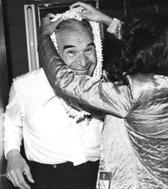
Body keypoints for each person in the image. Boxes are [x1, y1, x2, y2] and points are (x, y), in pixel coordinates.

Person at [40, 2, 168, 189]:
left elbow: (64, 81)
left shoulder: (135, 92)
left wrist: (44, 37)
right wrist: (106, 20)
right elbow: (149, 44)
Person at [3, 9, 106, 189]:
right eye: (71, 52)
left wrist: (107, 20)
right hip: (49, 179)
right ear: (53, 51)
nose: (83, 63)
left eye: (88, 50)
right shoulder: (25, 86)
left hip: (99, 176)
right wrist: (12, 155)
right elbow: (12, 122)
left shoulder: (106, 86)